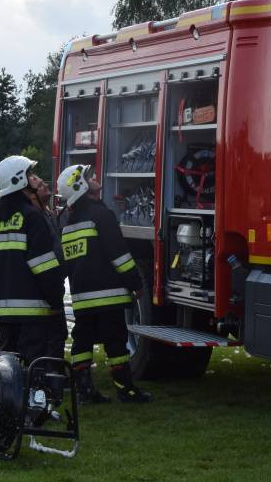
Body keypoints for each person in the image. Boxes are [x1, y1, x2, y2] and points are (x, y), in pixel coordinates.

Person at [56, 164, 152, 403]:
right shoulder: (101, 215)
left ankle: (85, 391)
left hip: (82, 296)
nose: (95, 178)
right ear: (81, 186)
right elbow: (119, 255)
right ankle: (125, 389)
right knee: (116, 342)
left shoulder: (68, 223)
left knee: (83, 340)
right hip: (108, 294)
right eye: (90, 177)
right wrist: (136, 282)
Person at [0, 155, 66, 364]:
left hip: (5, 313)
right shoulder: (31, 217)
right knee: (35, 369)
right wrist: (56, 300)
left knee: (9, 368)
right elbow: (44, 266)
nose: (35, 178)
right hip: (33, 312)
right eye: (29, 174)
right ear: (19, 180)